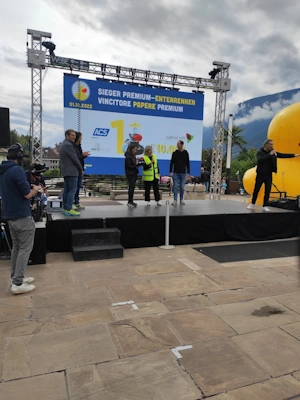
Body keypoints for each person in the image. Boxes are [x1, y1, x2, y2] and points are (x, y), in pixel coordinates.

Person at [0, 143, 40, 294]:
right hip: (22, 216)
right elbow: (27, 194)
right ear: (20, 156)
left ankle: (16, 277)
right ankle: (17, 283)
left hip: (10, 215)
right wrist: (35, 189)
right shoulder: (17, 170)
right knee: (25, 249)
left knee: (17, 248)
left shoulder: (3, 171)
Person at [247, 139, 300, 212]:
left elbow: (281, 155)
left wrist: (294, 155)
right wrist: (270, 154)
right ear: (266, 145)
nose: (272, 146)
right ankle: (252, 203)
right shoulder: (260, 152)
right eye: (271, 144)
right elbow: (260, 160)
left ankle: (265, 205)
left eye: (272, 144)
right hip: (261, 174)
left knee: (268, 190)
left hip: (269, 174)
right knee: (257, 189)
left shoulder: (273, 152)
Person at [59, 129, 83, 216]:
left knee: (67, 190)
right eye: (72, 135)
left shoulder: (63, 144)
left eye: (74, 135)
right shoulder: (68, 145)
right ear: (67, 136)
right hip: (72, 171)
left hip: (66, 171)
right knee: (72, 190)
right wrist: (81, 169)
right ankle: (68, 208)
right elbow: (75, 158)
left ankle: (65, 208)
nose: (74, 137)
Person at [73, 131, 90, 210]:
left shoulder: (79, 146)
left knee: (78, 186)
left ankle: (77, 202)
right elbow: (75, 159)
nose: (81, 139)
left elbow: (79, 158)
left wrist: (84, 156)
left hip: (80, 169)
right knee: (74, 187)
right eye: (80, 137)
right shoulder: (73, 147)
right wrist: (82, 155)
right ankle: (73, 202)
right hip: (75, 169)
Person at [169, 140, 190, 205]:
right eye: (177, 144)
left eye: (178, 144)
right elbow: (171, 162)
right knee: (175, 186)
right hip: (175, 172)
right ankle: (175, 200)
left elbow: (187, 163)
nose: (177, 145)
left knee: (182, 187)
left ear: (182, 145)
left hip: (183, 172)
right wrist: (170, 171)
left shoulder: (185, 153)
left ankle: (181, 199)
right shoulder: (174, 153)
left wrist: (188, 172)